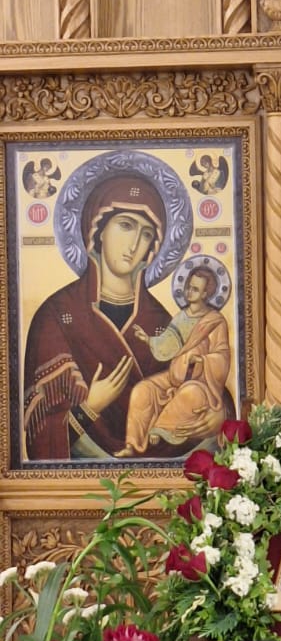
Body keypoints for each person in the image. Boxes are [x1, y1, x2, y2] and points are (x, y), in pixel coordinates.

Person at [23, 174, 176, 461]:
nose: (134, 244)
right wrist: (90, 407)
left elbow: (204, 390)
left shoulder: (162, 324)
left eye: (146, 234)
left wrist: (214, 417)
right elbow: (37, 439)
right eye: (126, 226)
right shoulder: (56, 316)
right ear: (99, 228)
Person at [119, 264, 231, 456]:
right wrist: (149, 339)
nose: (189, 291)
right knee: (142, 389)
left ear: (205, 294)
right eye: (188, 286)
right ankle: (132, 445)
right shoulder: (181, 316)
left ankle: (160, 428)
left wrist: (203, 360)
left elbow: (222, 356)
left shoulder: (215, 321)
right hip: (174, 376)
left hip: (201, 382)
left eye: (195, 289)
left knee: (190, 394)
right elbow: (169, 342)